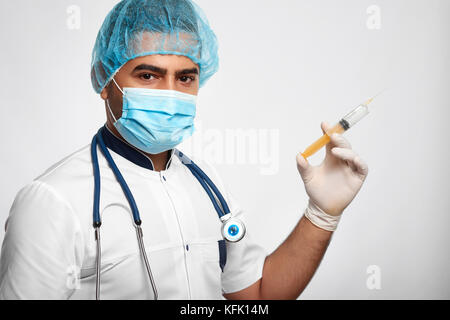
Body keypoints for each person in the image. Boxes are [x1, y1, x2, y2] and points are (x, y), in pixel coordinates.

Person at [0, 0, 368, 300]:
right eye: (148, 75)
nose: (170, 93)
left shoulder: (206, 184)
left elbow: (256, 297)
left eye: (186, 78)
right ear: (105, 80)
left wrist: (321, 214)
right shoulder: (52, 201)